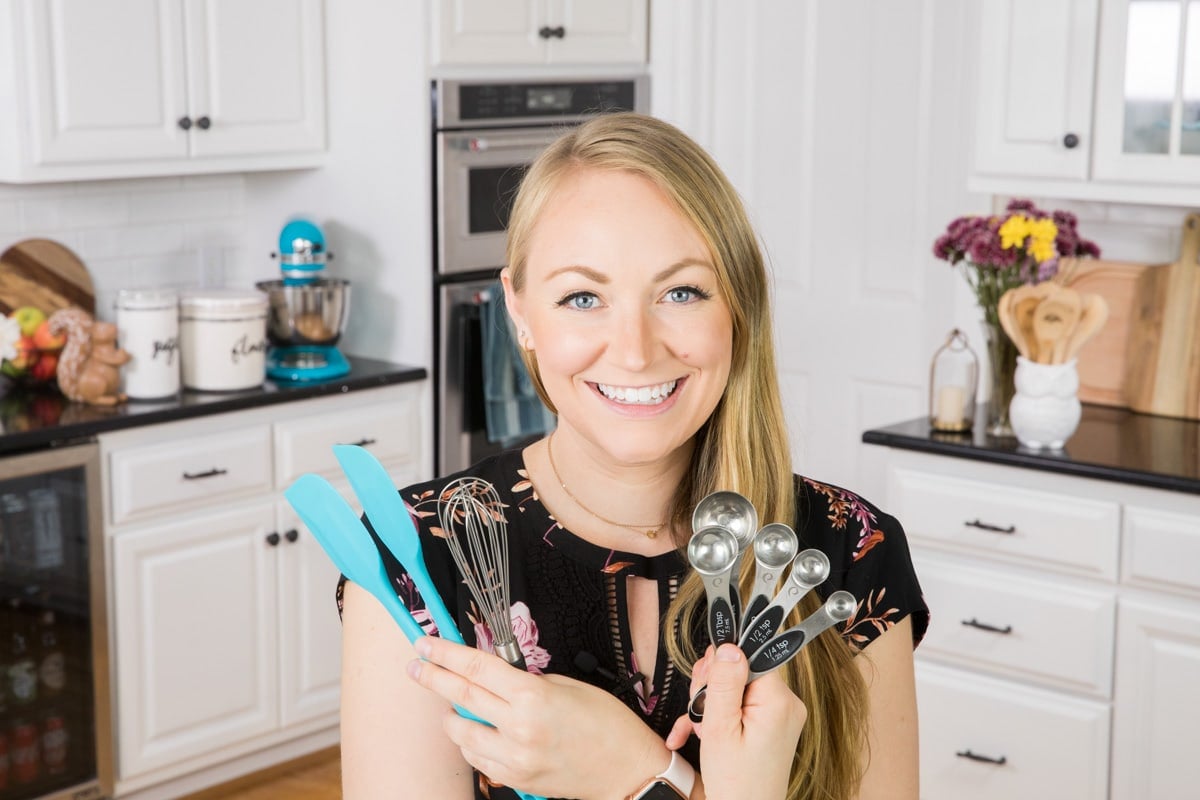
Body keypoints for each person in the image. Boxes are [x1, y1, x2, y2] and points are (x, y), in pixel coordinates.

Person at [338, 112, 929, 800]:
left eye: (681, 291)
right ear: (520, 310)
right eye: (582, 297)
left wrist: (645, 776)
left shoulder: (851, 547)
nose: (636, 349)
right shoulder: (413, 554)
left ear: (737, 305)